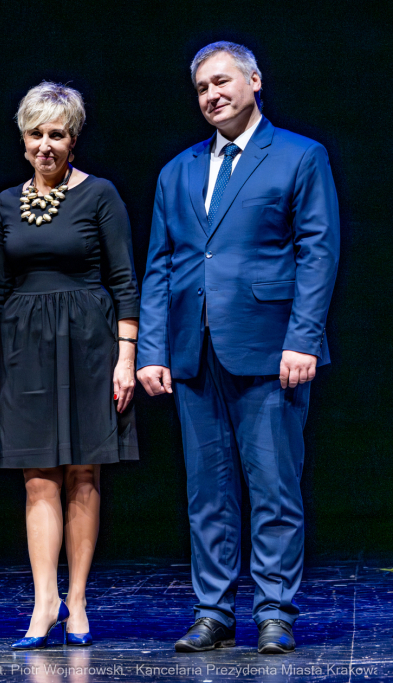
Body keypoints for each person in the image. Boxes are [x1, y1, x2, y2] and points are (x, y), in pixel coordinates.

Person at [137, 42, 339, 655]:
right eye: (202, 88)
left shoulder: (300, 155)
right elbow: (161, 266)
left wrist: (302, 339)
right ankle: (213, 612)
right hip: (193, 350)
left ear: (254, 80)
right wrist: (152, 350)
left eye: (221, 81)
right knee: (208, 493)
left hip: (270, 348)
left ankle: (274, 612)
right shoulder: (177, 170)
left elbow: (317, 253)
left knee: (274, 487)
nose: (211, 95)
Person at [0, 83, 140, 650]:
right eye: (35, 134)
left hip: (89, 345)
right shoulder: (5, 202)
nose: (45, 145)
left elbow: (124, 281)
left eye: (57, 134)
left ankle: (77, 602)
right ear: (22, 140)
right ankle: (44, 602)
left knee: (84, 474)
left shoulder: (100, 195)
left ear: (73, 140)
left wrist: (125, 358)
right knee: (38, 476)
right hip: (24, 349)